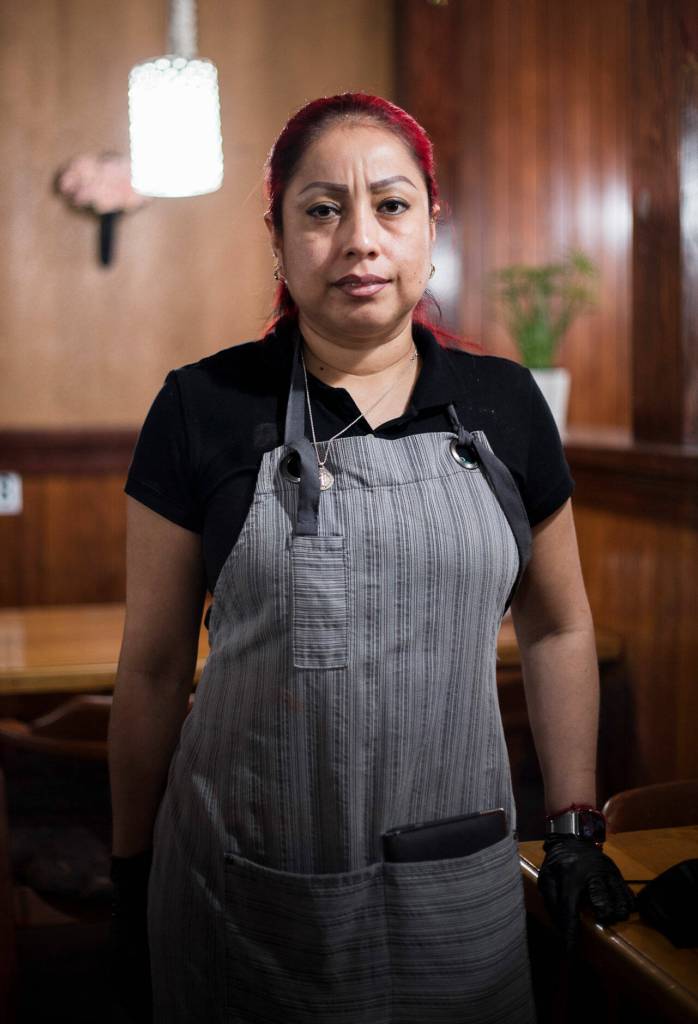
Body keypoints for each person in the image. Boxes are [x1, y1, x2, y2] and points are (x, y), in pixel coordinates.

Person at [108, 92, 635, 1024]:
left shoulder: (505, 405)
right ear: (276, 236)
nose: (359, 239)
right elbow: (150, 669)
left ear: (432, 225)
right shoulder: (202, 407)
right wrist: (127, 866)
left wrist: (573, 822)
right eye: (321, 209)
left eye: (390, 205)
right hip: (243, 883)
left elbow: (557, 625)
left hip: (457, 880)